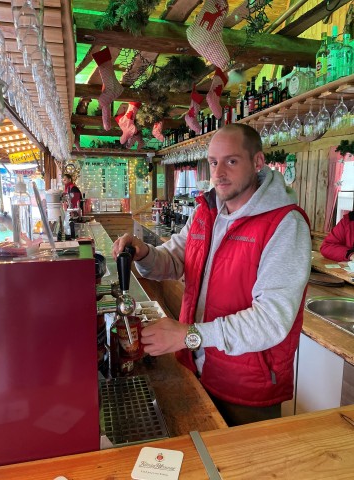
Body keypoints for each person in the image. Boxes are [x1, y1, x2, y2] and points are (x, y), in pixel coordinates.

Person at [112, 124, 312, 426]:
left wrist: (188, 334)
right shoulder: (207, 210)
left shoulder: (285, 224)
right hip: (197, 364)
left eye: (231, 161)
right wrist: (144, 253)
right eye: (213, 162)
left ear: (257, 163)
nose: (218, 173)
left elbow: (272, 320)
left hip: (247, 385)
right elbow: (176, 259)